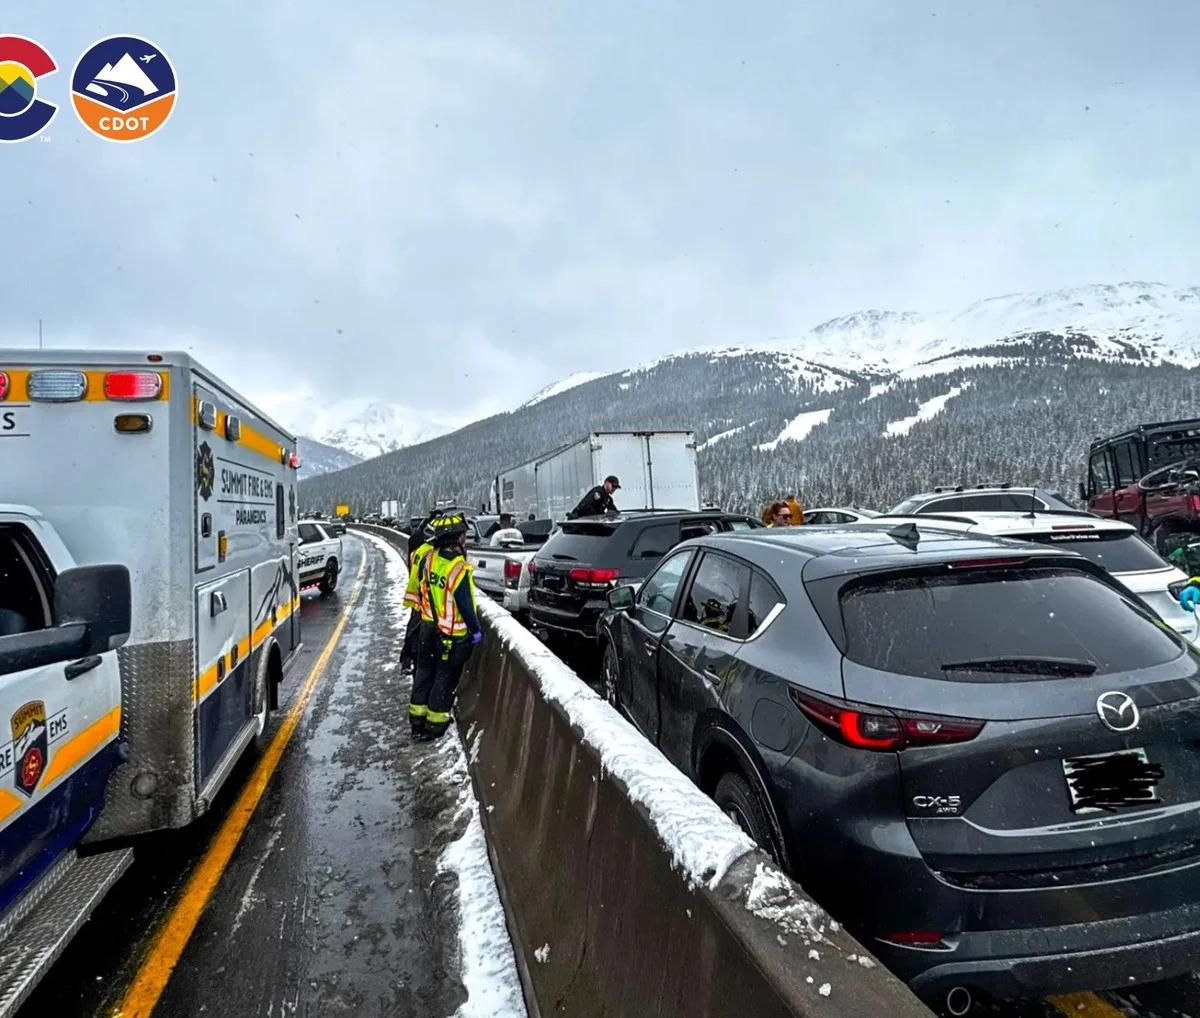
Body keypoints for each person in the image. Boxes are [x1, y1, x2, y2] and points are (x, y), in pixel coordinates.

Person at [416, 511, 483, 741]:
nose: (465, 539)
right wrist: (475, 631)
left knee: (424, 672)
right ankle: (434, 726)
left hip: (427, 626)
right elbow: (465, 604)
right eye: (463, 535)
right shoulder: (458, 568)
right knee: (444, 678)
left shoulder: (429, 559)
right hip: (451, 634)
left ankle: (417, 720)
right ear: (456, 539)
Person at [400, 516, 437, 676]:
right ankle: (411, 659)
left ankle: (408, 659)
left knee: (413, 629)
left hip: (416, 594)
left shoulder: (416, 547)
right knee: (417, 630)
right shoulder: (426, 552)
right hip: (423, 596)